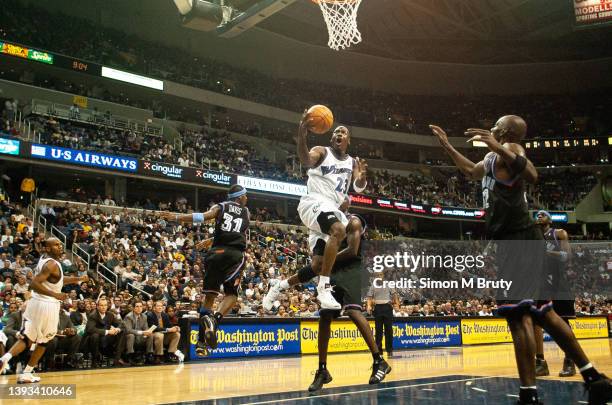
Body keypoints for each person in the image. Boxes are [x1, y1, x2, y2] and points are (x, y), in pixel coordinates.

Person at [431, 116, 611, 405]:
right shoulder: (492, 157)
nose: (491, 127)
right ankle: (594, 378)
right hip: (519, 240)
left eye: (496, 125)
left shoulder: (512, 147)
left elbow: (531, 174)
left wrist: (499, 147)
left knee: (518, 316)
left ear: (504, 132)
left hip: (516, 239)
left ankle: (529, 394)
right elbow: (469, 170)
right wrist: (446, 146)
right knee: (545, 313)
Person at [160, 184, 249, 355]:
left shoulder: (221, 206)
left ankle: (201, 343)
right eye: (245, 196)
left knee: (209, 298)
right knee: (232, 294)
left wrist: (176, 217)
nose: (247, 199)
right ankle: (214, 321)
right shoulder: (246, 212)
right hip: (234, 254)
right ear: (239, 197)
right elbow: (237, 233)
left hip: (215, 253)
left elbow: (203, 217)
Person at [308, 213, 391, 391]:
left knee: (353, 311)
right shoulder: (323, 227)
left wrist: (327, 260)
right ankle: (322, 370)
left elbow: (353, 250)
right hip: (333, 274)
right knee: (324, 316)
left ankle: (379, 361)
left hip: (353, 269)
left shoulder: (353, 221)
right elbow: (316, 262)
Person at [296, 113, 367, 310]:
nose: (338, 134)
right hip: (314, 202)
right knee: (338, 230)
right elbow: (306, 161)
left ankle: (279, 286)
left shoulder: (352, 162)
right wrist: (302, 135)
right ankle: (324, 286)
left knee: (318, 264)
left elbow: (359, 187)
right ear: (331, 137)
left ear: (348, 140)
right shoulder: (322, 151)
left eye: (342, 132)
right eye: (335, 131)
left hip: (331, 210)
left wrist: (360, 180)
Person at [0, 238, 88, 382]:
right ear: (47, 248)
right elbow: (34, 284)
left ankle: (5, 358)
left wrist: (77, 279)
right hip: (47, 304)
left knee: (28, 337)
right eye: (56, 245)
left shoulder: (45, 260)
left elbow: (57, 279)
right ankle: (27, 372)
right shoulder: (52, 264)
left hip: (36, 303)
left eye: (60, 244)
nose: (60, 247)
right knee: (44, 341)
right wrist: (56, 295)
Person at [533, 210, 576, 377]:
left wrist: (545, 252)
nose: (539, 216)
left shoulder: (559, 233)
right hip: (541, 283)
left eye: (542, 214)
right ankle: (541, 363)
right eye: (536, 215)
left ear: (549, 220)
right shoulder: (533, 238)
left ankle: (570, 361)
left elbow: (567, 256)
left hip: (559, 283)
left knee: (564, 323)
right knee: (537, 321)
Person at [366, 271, 400, 358]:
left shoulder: (388, 284)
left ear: (383, 276)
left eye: (380, 275)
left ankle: (389, 350)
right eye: (377, 275)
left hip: (387, 307)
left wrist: (396, 304)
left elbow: (394, 294)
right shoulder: (373, 286)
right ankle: (379, 351)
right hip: (377, 308)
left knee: (389, 329)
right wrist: (369, 306)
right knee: (378, 330)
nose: (379, 276)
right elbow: (369, 297)